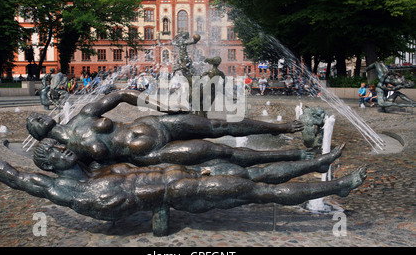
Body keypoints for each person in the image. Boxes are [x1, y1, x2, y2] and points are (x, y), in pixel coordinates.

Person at [0, 136, 367, 229]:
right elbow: (13, 176)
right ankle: (337, 186)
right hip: (183, 193)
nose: (62, 152)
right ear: (49, 168)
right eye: (52, 154)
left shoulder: (98, 167)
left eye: (58, 147)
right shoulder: (63, 190)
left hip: (188, 177)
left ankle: (320, 161)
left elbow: (84, 134)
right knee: (263, 193)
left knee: (257, 173)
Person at [27, 90, 309, 169]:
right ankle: (293, 157)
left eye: (35, 117)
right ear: (39, 138)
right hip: (150, 153)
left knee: (218, 124)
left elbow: (122, 94)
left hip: (154, 123)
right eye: (33, 125)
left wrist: (158, 105)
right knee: (218, 151)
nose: (36, 119)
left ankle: (279, 126)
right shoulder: (67, 155)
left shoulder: (81, 116)